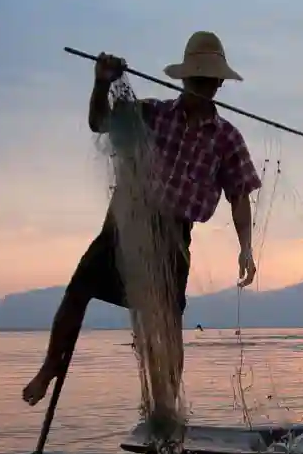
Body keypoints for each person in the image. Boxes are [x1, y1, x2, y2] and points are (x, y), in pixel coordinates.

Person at [22, 31, 262, 421]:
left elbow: (239, 196)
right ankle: (51, 365)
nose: (201, 86)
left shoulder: (227, 138)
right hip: (127, 222)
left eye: (208, 80)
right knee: (78, 290)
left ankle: (166, 404)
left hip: (172, 239)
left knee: (168, 322)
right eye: (195, 79)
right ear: (184, 80)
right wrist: (102, 82)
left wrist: (246, 248)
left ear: (218, 83)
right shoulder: (151, 113)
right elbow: (99, 122)